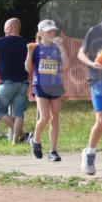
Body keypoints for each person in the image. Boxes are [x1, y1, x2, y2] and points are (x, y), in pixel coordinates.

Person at [25, 19, 68, 162]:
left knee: (55, 117)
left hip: (56, 86)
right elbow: (28, 69)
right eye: (48, 31)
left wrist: (62, 48)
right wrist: (29, 53)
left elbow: (66, 66)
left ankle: (53, 151)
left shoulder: (57, 47)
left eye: (53, 30)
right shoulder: (35, 48)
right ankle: (35, 141)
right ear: (41, 32)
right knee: (44, 117)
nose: (52, 33)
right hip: (40, 85)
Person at [0, 18, 31, 144]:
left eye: (5, 27)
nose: (4, 30)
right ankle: (16, 141)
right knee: (19, 113)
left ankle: (23, 135)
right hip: (23, 82)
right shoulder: (26, 43)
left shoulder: (1, 41)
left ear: (9, 28)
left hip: (7, 83)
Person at [78, 0, 102, 176]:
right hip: (99, 80)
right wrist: (93, 64)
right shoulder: (95, 31)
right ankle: (89, 153)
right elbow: (81, 54)